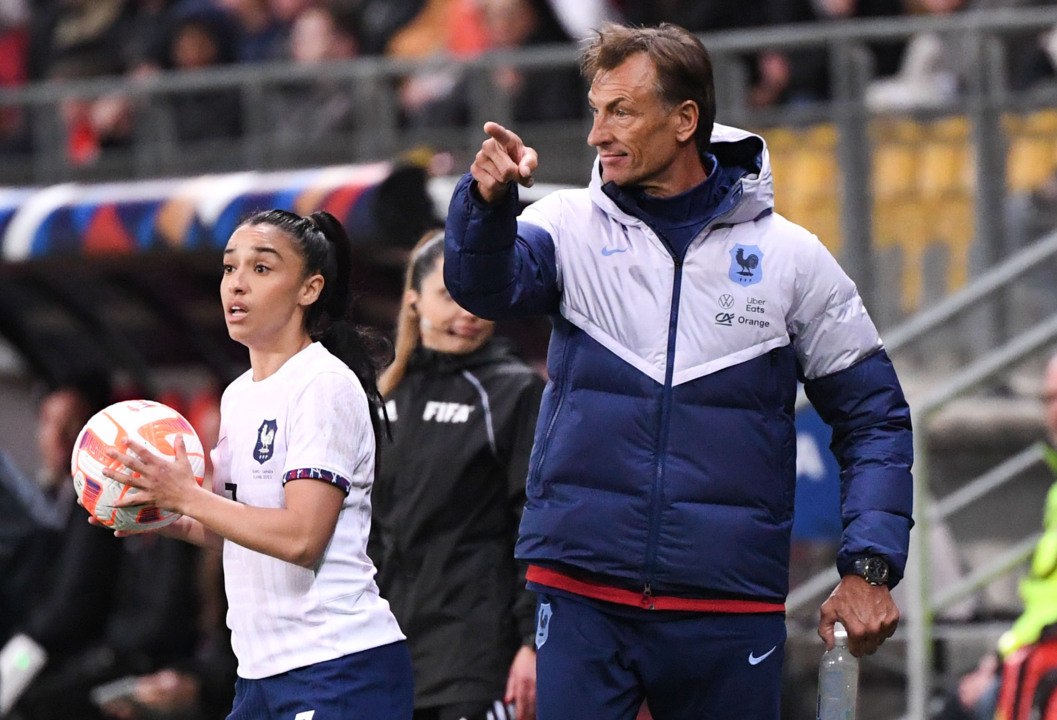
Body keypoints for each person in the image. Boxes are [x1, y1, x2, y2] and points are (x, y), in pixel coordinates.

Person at [443, 22, 914, 720]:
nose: (596, 134)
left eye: (621, 112)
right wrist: (485, 208)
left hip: (727, 606)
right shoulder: (566, 224)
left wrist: (868, 567)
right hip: (582, 594)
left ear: (685, 119)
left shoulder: (791, 258)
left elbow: (875, 417)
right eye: (594, 111)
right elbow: (483, 287)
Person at [99, 209, 414, 718]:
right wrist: (161, 514)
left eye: (261, 269)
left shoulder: (322, 385)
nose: (237, 285)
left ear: (309, 289)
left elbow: (301, 538)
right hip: (261, 675)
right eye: (229, 268)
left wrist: (187, 495)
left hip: (336, 667)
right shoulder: (239, 395)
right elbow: (239, 530)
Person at [371, 230, 544, 720]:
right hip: (385, 654)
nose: (468, 311)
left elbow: (534, 527)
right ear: (414, 301)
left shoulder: (514, 393)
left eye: (479, 296)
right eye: (450, 295)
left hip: (475, 662)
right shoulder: (381, 399)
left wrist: (532, 642)